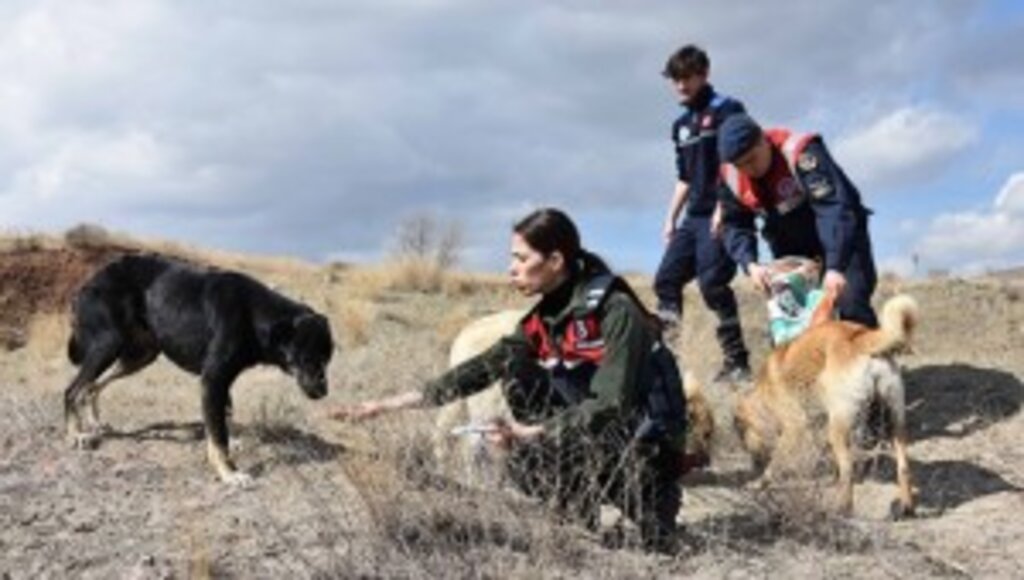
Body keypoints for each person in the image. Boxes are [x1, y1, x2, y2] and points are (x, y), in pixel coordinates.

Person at [329, 208, 688, 552]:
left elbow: (612, 402)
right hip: (593, 435)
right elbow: (481, 368)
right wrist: (384, 405)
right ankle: (577, 507)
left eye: (520, 258)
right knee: (516, 380)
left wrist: (534, 432)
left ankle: (654, 499)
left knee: (656, 540)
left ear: (555, 261)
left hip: (643, 449)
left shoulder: (615, 310)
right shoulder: (544, 319)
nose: (510, 269)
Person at [714, 113, 879, 328]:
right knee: (792, 316)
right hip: (790, 245)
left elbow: (833, 208)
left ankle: (874, 358)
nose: (749, 169)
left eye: (752, 158)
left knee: (850, 302)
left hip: (841, 235)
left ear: (764, 140)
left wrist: (835, 266)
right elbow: (735, 224)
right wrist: (750, 264)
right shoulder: (730, 176)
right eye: (741, 164)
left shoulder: (799, 152)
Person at [653, 44, 751, 383]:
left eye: (687, 78)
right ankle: (666, 360)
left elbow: (738, 160)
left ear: (704, 74)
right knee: (665, 280)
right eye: (675, 79)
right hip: (693, 217)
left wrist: (725, 206)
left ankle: (737, 362)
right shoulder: (679, 124)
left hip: (725, 210)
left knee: (712, 283)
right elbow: (684, 177)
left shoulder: (728, 109)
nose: (681, 86)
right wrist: (669, 219)